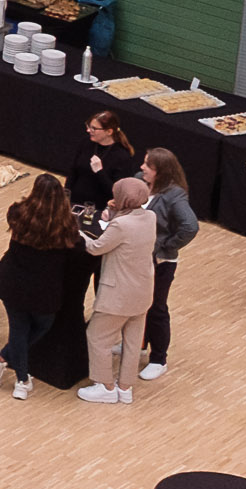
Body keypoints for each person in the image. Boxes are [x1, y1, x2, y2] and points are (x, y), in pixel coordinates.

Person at [0, 175, 95, 399]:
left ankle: (1, 358)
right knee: (40, 325)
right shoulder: (65, 228)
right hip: (42, 289)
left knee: (19, 329)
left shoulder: (17, 213)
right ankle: (21, 380)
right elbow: (79, 250)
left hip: (13, 281)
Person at [81, 177, 159, 402]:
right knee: (133, 342)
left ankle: (105, 386)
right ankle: (125, 388)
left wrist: (78, 234)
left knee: (97, 336)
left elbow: (96, 248)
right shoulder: (150, 217)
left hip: (118, 295)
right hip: (142, 292)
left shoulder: (120, 225)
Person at [141, 147, 198, 381]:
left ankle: (159, 359)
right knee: (136, 304)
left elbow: (190, 227)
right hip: (138, 258)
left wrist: (165, 247)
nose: (142, 167)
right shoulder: (139, 181)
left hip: (161, 262)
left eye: (148, 165)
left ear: (160, 172)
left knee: (156, 307)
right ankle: (137, 344)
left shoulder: (174, 195)